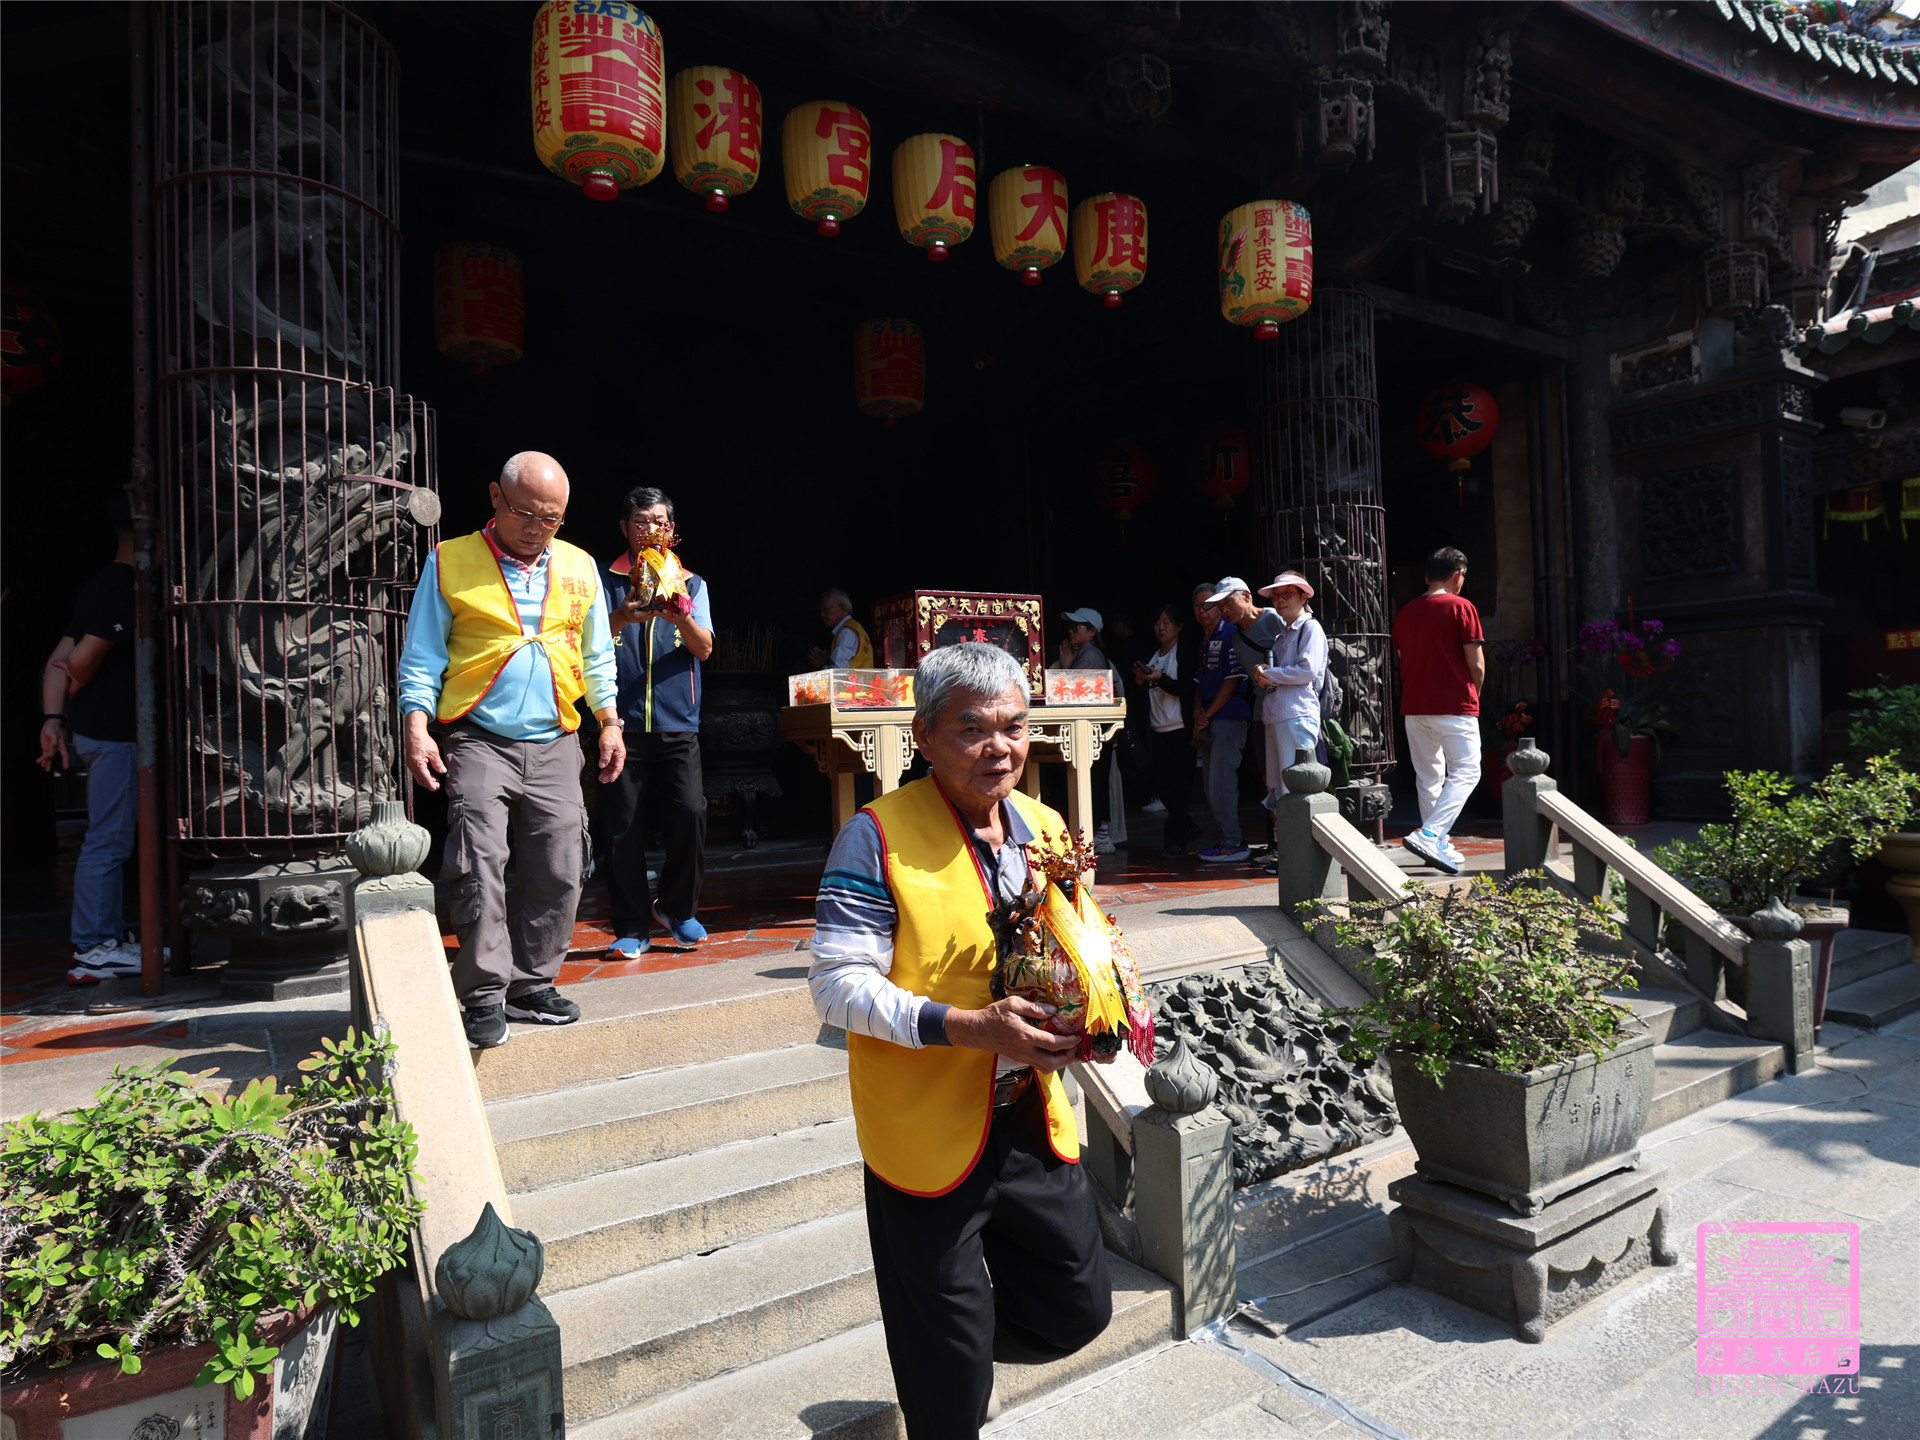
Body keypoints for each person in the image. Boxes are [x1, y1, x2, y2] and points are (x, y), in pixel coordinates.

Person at [809, 643, 1115, 1440]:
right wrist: (968, 1026)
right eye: (972, 729)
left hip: (1029, 1113)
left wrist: (1095, 1014)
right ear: (923, 736)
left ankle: (964, 1353)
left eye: (1014, 727)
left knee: (1077, 1310)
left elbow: (1078, 948)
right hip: (923, 1126)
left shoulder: (1045, 827)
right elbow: (835, 986)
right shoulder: (875, 836)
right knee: (946, 1379)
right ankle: (950, 1378)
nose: (999, 748)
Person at [398, 451, 623, 1049]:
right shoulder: (450, 560)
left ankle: (531, 983)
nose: (536, 527)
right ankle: (482, 991)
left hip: (556, 736)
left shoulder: (579, 566)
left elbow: (597, 655)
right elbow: (423, 655)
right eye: (525, 512)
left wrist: (609, 722)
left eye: (551, 518)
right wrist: (417, 726)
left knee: (561, 863)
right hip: (478, 736)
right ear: (495, 496)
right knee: (478, 861)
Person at [600, 485, 716, 956]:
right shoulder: (604, 579)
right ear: (625, 527)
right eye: (642, 521)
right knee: (622, 826)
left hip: (677, 721)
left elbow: (704, 649)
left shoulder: (690, 581)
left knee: (691, 813)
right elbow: (583, 640)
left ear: (672, 529)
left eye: (660, 522)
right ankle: (631, 926)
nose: (652, 529)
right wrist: (622, 616)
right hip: (620, 722)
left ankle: (677, 909)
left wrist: (680, 615)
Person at [38, 506, 141, 983]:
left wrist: (53, 719)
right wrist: (76, 679)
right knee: (108, 839)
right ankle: (95, 947)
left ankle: (107, 939)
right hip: (114, 733)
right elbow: (77, 661)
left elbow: (56, 661)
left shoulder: (97, 584)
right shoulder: (124, 586)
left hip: (94, 731)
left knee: (107, 837)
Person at [1207, 573, 1327, 867]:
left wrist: (1269, 674)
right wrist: (1265, 674)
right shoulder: (1283, 633)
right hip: (1273, 714)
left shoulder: (1308, 628)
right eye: (1276, 595)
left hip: (1296, 712)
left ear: (1303, 596)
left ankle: (1303, 856)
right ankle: (1287, 852)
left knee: (1298, 786)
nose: (1281, 600)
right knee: (1277, 787)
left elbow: (1308, 671)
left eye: (1288, 594)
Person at [1393, 546, 1484, 876]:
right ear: (1458, 575)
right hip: (1454, 703)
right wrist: (1475, 696)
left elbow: (1401, 661)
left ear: (1426, 576)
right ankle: (1430, 834)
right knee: (1467, 771)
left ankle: (1438, 841)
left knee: (1429, 776)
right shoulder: (1462, 607)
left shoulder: (1405, 613)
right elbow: (1477, 664)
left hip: (1415, 706)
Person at [1132, 603, 1199, 857]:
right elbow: (1148, 691)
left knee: (1179, 786)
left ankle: (1175, 841)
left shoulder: (1184, 651)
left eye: (1166, 622)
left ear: (1179, 626)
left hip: (1180, 727)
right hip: (1158, 727)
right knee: (1161, 784)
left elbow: (1187, 688)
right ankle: (1188, 826)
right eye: (1158, 623)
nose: (1161, 627)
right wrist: (1141, 680)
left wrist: (1161, 679)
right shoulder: (1154, 654)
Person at [1191, 583, 1250, 864]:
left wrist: (1208, 713)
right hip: (1211, 718)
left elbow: (1233, 679)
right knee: (1211, 786)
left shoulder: (1229, 632)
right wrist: (1198, 712)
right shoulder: (1204, 639)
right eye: (1197, 605)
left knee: (1222, 783)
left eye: (1209, 604)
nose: (1203, 610)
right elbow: (1199, 682)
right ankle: (1228, 840)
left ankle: (1232, 843)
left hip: (1228, 717)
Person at [1056, 606, 1119, 854]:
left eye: (1077, 627)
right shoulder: (1086, 652)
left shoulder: (1090, 655)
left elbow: (1070, 694)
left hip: (1094, 730)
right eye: (1070, 628)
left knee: (1095, 780)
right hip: (1094, 731)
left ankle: (1098, 833)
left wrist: (1066, 667)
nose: (1071, 632)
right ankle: (1098, 831)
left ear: (1092, 632)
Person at [808, 588, 872, 669]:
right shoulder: (855, 628)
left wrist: (821, 665)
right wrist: (829, 661)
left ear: (841, 608)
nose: (822, 615)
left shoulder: (846, 632)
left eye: (826, 610)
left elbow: (840, 671)